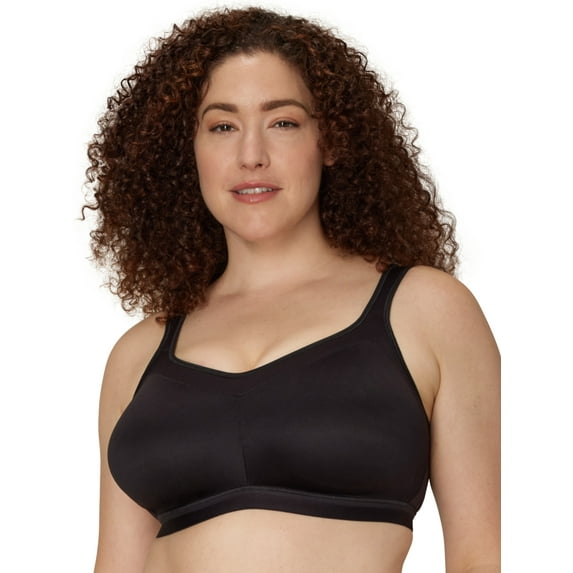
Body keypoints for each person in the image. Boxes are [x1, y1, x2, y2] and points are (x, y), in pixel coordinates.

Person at [85, 6, 500, 573]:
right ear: (188, 151)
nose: (250, 155)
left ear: (330, 140)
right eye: (222, 126)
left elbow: (480, 557)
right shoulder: (138, 356)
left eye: (282, 122)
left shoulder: (425, 310)